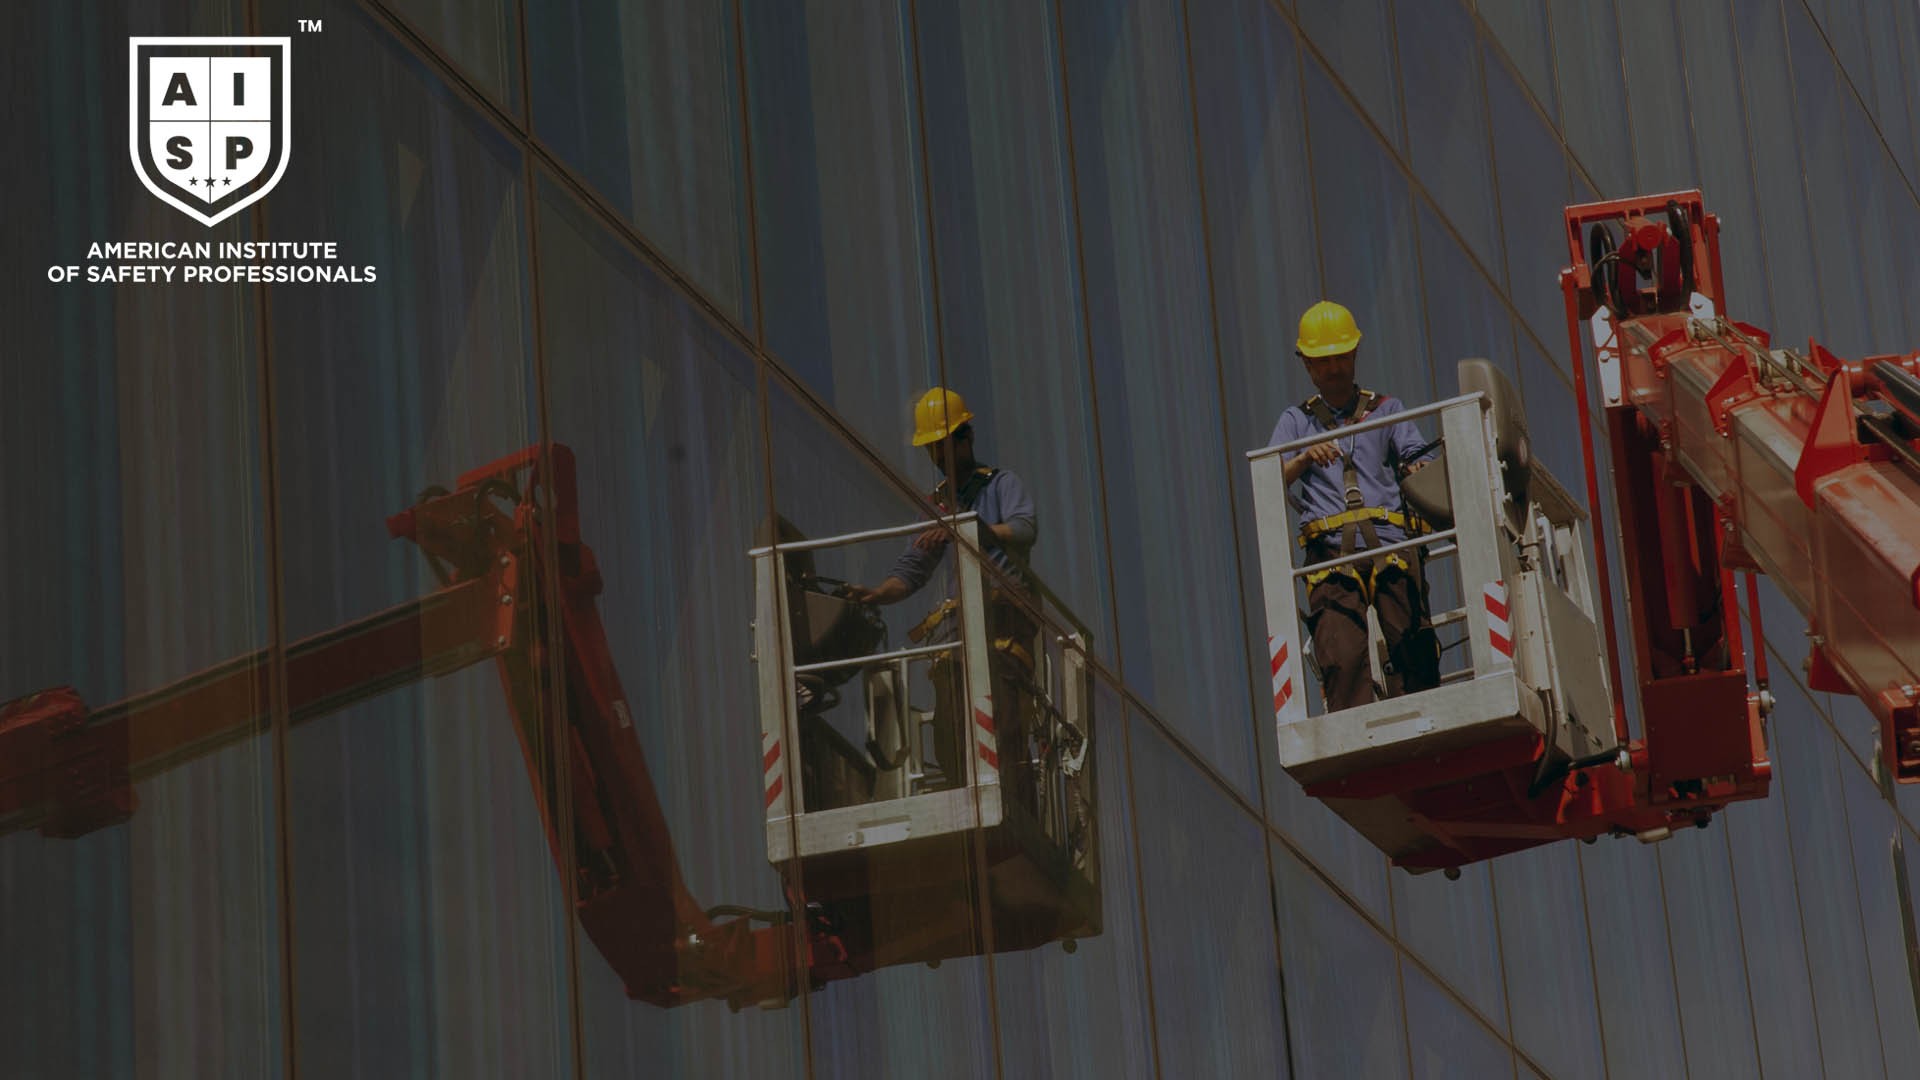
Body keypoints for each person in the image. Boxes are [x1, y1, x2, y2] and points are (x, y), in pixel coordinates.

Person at [849, 388, 1040, 796]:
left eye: (941, 444)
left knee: (1003, 719)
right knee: (951, 728)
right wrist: (879, 593)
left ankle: (1014, 801)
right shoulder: (935, 505)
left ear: (964, 438)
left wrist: (971, 529)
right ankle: (965, 795)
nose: (936, 456)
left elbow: (1024, 529)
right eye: (930, 448)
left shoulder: (1000, 484)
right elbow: (913, 567)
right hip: (959, 634)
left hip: (1001, 624)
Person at [1271, 301, 1441, 712]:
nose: (1332, 369)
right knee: (1342, 657)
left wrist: (1418, 466)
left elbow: (1420, 458)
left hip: (1390, 545)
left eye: (1339, 358)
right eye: (1323, 361)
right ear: (1307, 365)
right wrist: (1305, 457)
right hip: (1330, 555)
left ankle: (1420, 717)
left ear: (1354, 355)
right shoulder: (1296, 422)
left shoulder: (1387, 410)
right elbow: (1270, 476)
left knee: (1410, 645)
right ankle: (1356, 728)